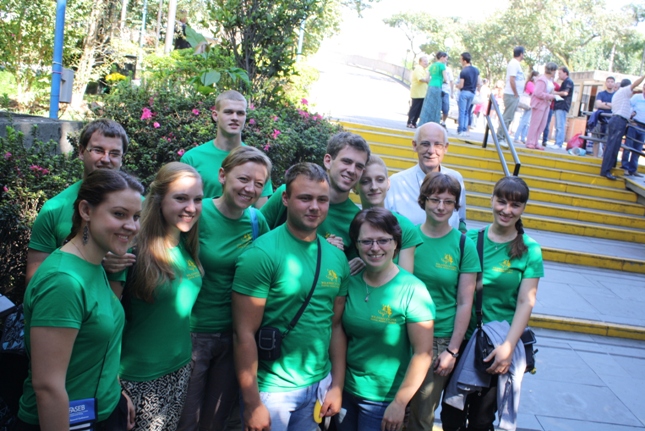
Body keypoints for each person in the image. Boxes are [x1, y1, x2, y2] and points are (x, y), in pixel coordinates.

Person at [17, 169, 142, 430]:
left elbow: (96, 346)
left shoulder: (93, 262)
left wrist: (115, 393)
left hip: (103, 410)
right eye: (119, 214)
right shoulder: (62, 282)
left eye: (136, 216)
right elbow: (48, 387)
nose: (131, 226)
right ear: (86, 210)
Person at [232, 163, 350, 431]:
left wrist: (337, 385)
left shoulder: (336, 258)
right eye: (305, 198)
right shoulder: (261, 255)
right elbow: (243, 334)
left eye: (322, 200)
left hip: (318, 386)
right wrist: (252, 403)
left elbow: (335, 326)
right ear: (285, 198)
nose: (314, 207)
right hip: (271, 391)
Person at [178, 146, 272, 431]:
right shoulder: (196, 213)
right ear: (222, 175)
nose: (250, 188)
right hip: (192, 334)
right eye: (243, 179)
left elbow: (272, 264)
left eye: (258, 183)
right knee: (185, 421)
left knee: (214, 423)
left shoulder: (256, 221)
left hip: (235, 337)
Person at [440, 176, 544, 431]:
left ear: (523, 208)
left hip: (497, 344)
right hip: (463, 340)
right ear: (492, 200)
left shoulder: (530, 250)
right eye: (502, 202)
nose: (507, 210)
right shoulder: (470, 239)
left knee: (482, 419)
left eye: (515, 205)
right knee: (451, 414)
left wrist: (508, 346)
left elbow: (526, 302)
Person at [117, 163, 204, 431]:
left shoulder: (186, 244)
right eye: (181, 198)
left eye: (198, 199)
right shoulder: (131, 252)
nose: (191, 208)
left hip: (179, 370)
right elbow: (105, 325)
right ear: (158, 200)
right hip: (136, 379)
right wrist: (114, 386)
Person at [336, 208, 435, 431]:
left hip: (383, 400)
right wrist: (335, 386)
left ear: (395, 243)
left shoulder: (413, 290)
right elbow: (338, 332)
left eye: (383, 240)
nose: (375, 248)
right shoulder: (350, 282)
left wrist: (400, 403)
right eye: (366, 241)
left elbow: (423, 353)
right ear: (357, 244)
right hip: (346, 392)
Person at [407, 173, 479, 431]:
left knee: (421, 415)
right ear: (423, 200)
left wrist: (453, 351)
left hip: (438, 341)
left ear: (455, 206)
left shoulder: (463, 244)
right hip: (402, 336)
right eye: (435, 199)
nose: (441, 207)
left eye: (448, 202)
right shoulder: (408, 238)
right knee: (392, 410)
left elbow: (465, 302)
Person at [26, 119, 131, 285]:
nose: (106, 159)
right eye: (98, 150)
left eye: (114, 153)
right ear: (82, 152)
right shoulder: (54, 209)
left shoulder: (141, 208)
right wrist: (96, 260)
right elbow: (34, 282)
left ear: (122, 158)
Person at [260, 132, 370, 269]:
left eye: (359, 166)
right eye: (346, 161)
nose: (352, 170)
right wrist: (319, 247)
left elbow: (340, 271)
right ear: (328, 161)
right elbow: (255, 235)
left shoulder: (357, 219)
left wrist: (343, 264)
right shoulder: (289, 193)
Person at [180, 90, 272, 206]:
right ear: (215, 115)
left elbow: (261, 210)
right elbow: (183, 204)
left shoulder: (257, 160)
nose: (235, 118)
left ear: (245, 117)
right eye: (228, 112)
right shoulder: (192, 158)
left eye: (240, 113)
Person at [385, 122, 467, 230]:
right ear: (415, 145)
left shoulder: (455, 178)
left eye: (438, 144)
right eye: (425, 144)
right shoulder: (396, 183)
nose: (431, 151)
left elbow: (461, 221)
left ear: (446, 147)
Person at [354, 155, 422, 272]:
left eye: (380, 180)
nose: (374, 187)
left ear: (388, 183)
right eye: (365, 181)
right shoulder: (350, 223)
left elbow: (405, 278)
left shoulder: (405, 227)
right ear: (355, 187)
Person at [601, 75, 645, 180]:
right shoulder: (624, 91)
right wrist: (643, 76)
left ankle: (609, 168)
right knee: (612, 146)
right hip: (618, 121)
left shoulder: (621, 95)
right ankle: (605, 171)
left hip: (620, 120)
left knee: (614, 146)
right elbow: (635, 84)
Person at [497, 47, 526, 145]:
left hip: (514, 95)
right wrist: (515, 93)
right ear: (521, 54)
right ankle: (500, 137)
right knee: (507, 117)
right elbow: (512, 79)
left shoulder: (516, 64)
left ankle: (503, 136)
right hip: (511, 94)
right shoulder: (514, 63)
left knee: (509, 117)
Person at [525, 63, 557, 150]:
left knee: (542, 124)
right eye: (554, 71)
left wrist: (552, 96)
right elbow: (538, 93)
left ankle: (535, 142)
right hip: (539, 104)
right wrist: (550, 96)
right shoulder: (542, 80)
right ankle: (530, 141)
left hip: (546, 104)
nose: (555, 72)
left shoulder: (550, 80)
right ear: (551, 70)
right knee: (535, 123)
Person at [419, 52, 449, 126]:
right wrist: (443, 81)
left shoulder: (432, 65)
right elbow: (446, 79)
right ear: (442, 57)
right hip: (437, 86)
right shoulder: (442, 66)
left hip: (430, 86)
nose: (446, 60)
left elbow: (427, 79)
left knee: (428, 105)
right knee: (436, 106)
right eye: (446, 58)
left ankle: (423, 122)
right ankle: (434, 123)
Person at [455, 52, 480, 137]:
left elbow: (461, 85)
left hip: (464, 92)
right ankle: (465, 129)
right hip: (472, 93)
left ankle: (461, 129)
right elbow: (479, 83)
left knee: (462, 111)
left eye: (461, 59)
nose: (460, 61)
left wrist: (457, 85)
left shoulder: (464, 71)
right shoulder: (476, 70)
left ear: (464, 61)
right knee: (467, 111)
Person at [591, 76, 616, 157]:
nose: (610, 83)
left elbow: (617, 106)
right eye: (608, 81)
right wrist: (611, 105)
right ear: (605, 83)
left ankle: (604, 159)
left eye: (612, 81)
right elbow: (598, 104)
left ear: (614, 83)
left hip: (611, 120)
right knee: (596, 140)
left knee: (607, 141)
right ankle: (595, 157)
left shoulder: (616, 95)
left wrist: (605, 103)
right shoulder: (601, 94)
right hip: (599, 119)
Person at [621, 91, 645, 177]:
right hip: (634, 124)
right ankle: (625, 167)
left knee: (638, 149)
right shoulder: (637, 97)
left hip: (643, 127)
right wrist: (630, 118)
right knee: (628, 146)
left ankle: (633, 169)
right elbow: (628, 106)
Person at [514, 71, 539, 145]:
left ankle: (523, 137)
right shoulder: (530, 83)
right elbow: (535, 92)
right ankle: (517, 137)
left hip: (530, 103)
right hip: (528, 103)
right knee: (524, 121)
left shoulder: (532, 84)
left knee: (527, 122)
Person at [553, 66, 574, 148]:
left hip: (562, 105)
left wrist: (555, 93)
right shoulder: (565, 82)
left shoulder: (568, 82)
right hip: (559, 105)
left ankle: (558, 143)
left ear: (565, 73)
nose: (559, 75)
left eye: (560, 73)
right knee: (557, 125)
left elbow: (565, 93)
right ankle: (557, 142)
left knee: (560, 125)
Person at [407, 55, 430, 128]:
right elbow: (420, 79)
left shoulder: (425, 70)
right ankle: (410, 122)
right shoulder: (418, 68)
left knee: (419, 109)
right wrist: (427, 80)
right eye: (424, 61)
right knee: (414, 108)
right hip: (417, 93)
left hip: (423, 93)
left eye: (427, 61)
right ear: (420, 62)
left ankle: (414, 122)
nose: (426, 63)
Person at [541, 80, 560, 147]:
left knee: (547, 124)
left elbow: (559, 93)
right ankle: (534, 139)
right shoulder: (544, 82)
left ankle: (544, 140)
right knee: (539, 122)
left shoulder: (556, 85)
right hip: (542, 105)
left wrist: (553, 94)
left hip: (550, 106)